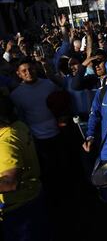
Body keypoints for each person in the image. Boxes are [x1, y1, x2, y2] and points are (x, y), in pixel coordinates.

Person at [0, 95, 49, 241]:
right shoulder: (19, 125)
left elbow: (10, 182)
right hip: (34, 193)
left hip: (18, 208)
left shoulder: (5, 143)